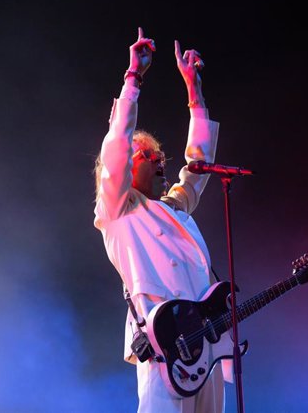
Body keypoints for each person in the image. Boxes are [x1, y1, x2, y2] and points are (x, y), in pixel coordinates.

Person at [94, 28, 227, 412]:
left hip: (206, 347)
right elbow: (117, 145)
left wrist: (195, 94)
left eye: (158, 155)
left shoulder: (174, 209)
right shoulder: (118, 213)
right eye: (146, 155)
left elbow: (197, 169)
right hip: (163, 351)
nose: (158, 160)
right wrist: (133, 78)